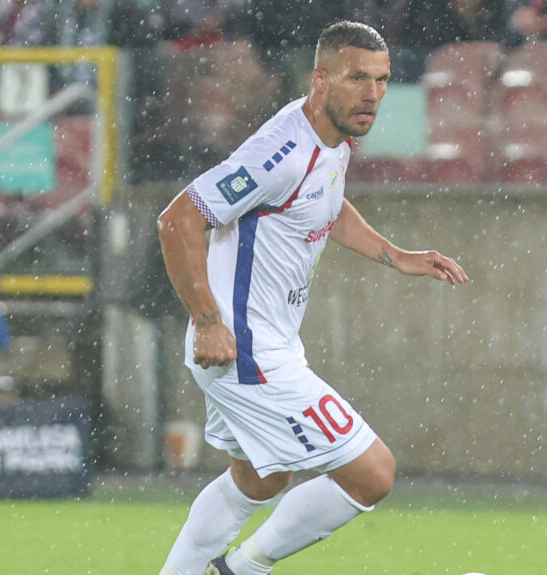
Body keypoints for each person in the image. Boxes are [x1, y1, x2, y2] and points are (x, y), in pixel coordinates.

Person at [155, 21, 469, 575]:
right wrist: (207, 320)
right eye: (356, 78)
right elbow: (177, 220)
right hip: (243, 348)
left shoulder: (334, 139)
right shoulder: (280, 153)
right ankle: (239, 571)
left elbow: (324, 201)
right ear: (320, 80)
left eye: (382, 79)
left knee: (260, 479)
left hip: (265, 343)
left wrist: (394, 255)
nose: (372, 93)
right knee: (373, 474)